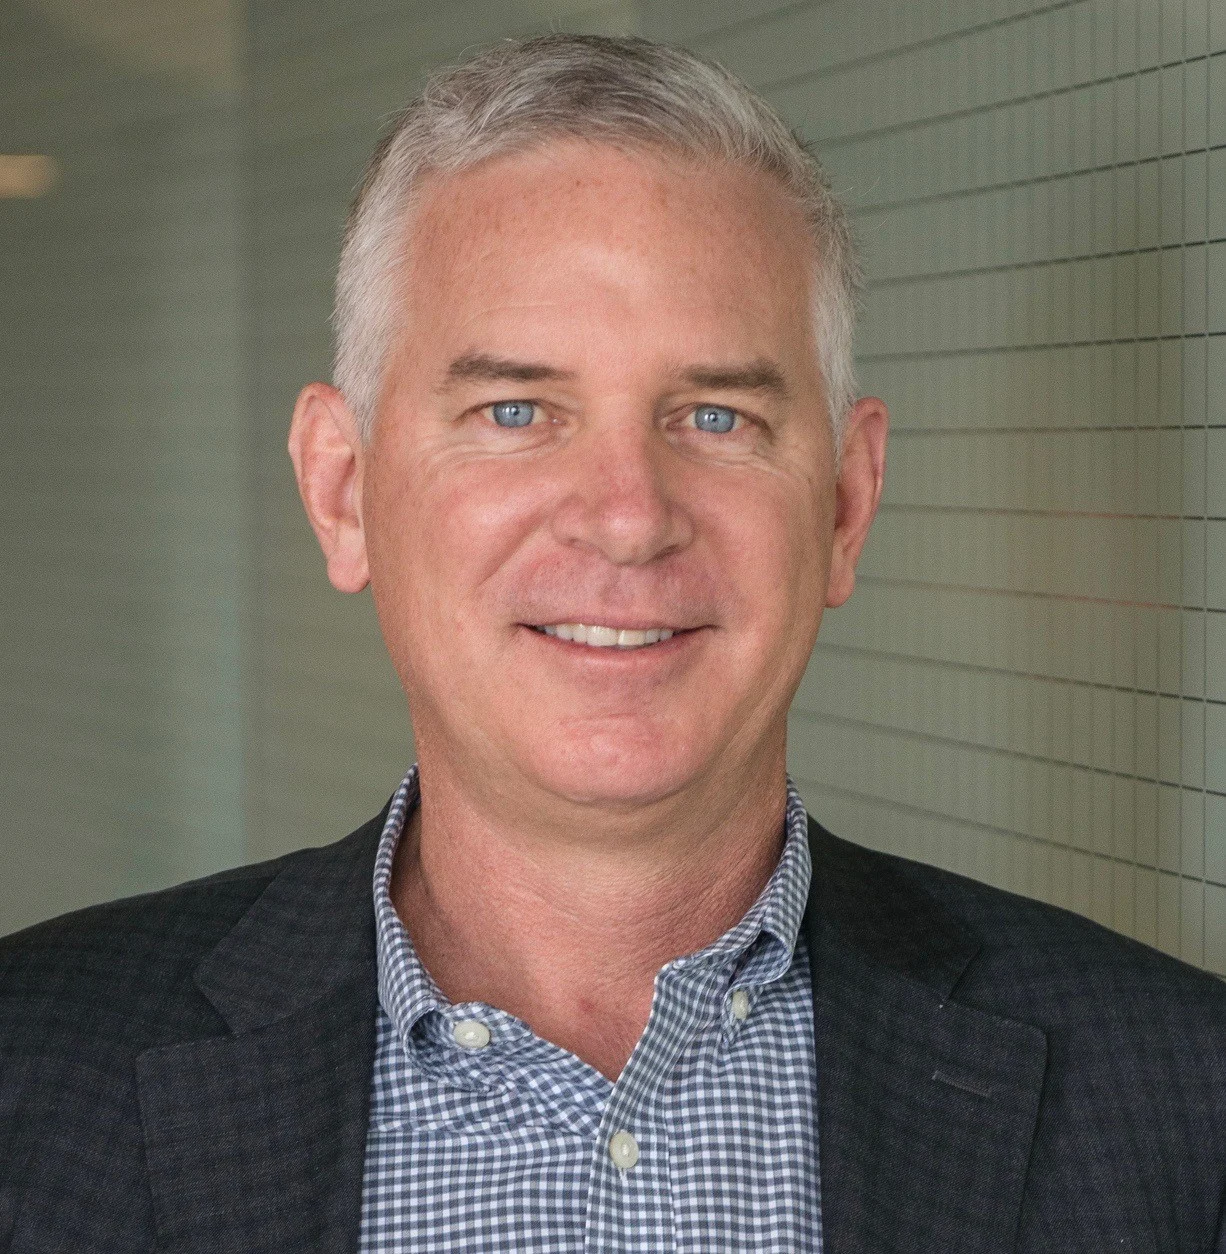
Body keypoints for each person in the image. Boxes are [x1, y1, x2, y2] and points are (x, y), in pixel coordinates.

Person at [2, 32, 1225, 1253]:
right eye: (516, 411)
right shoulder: (32, 1077)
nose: (629, 517)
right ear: (341, 492)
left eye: (713, 415)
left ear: (844, 504)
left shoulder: (1180, 1100)